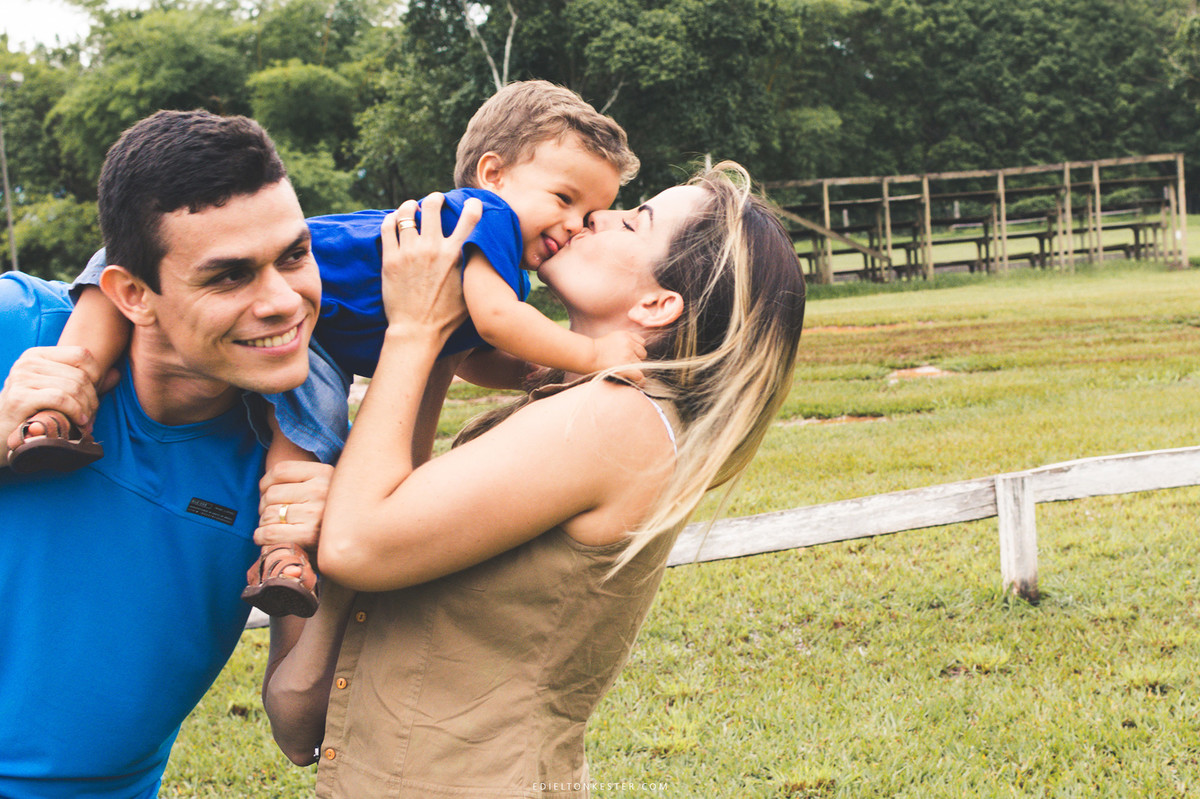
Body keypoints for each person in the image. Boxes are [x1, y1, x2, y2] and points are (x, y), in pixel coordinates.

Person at [262, 161, 807, 797]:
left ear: (658, 303)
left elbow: (356, 544)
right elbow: (305, 705)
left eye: (635, 221)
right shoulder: (582, 405)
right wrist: (440, 332)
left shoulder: (616, 421)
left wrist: (413, 329)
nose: (599, 217)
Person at [7, 80, 643, 620]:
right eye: (565, 199)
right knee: (115, 264)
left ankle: (282, 554)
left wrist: (530, 372)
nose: (575, 225)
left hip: (320, 348)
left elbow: (469, 350)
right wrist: (597, 354)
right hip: (314, 325)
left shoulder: (496, 270)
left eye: (592, 215)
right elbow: (501, 321)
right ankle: (67, 387)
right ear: (494, 173)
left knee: (309, 432)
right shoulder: (482, 219)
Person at [0, 109, 341, 798]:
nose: (282, 301)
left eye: (294, 256)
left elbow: (299, 731)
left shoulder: (303, 464)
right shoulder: (17, 329)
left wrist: (346, 549)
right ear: (132, 293)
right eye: (228, 276)